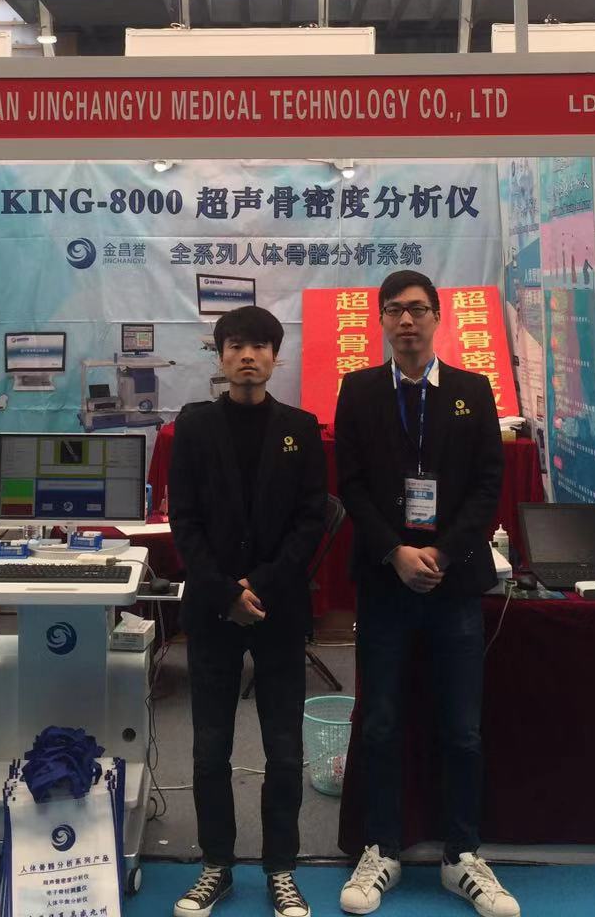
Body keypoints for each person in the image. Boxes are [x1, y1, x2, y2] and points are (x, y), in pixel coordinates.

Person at [334, 271, 519, 917]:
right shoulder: (359, 391)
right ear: (382, 321)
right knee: (381, 722)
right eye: (394, 310)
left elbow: (488, 485)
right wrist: (396, 552)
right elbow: (350, 484)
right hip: (385, 581)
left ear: (438, 317)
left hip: (453, 581)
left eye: (417, 309)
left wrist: (439, 553)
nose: (406, 321)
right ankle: (382, 848)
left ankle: (461, 856)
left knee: (462, 729)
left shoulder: (472, 391)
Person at [169, 305, 327, 917]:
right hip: (213, 609)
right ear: (220, 355)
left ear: (275, 357)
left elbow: (310, 521)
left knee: (284, 750)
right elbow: (184, 520)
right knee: (210, 748)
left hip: (278, 608)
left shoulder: (300, 428)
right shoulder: (193, 426)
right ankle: (217, 865)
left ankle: (281, 869)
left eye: (260, 346)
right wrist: (224, 593)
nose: (247, 356)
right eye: (235, 345)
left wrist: (256, 586)